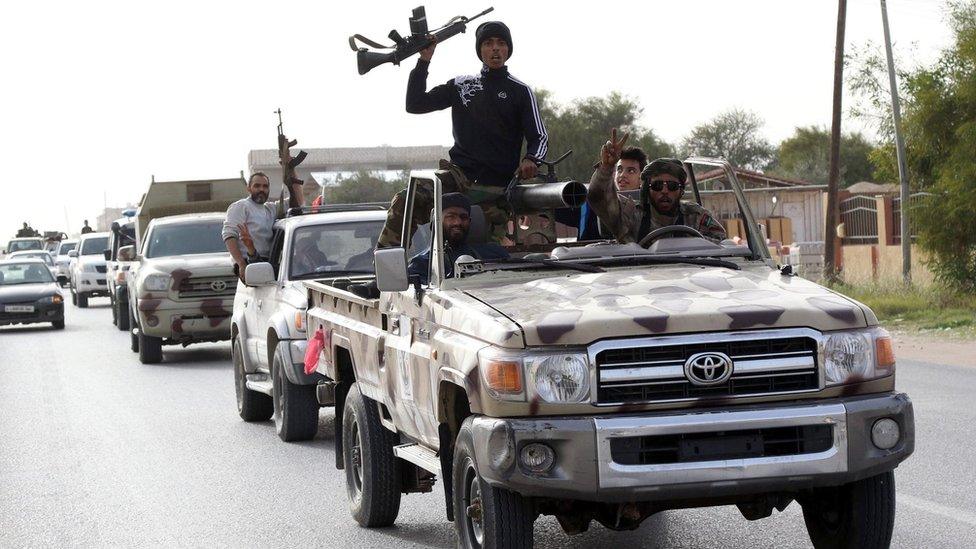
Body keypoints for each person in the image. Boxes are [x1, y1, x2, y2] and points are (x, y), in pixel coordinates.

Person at [377, 20, 549, 248]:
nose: (495, 48)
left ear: (508, 49)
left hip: (494, 189)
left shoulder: (521, 91)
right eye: (488, 43)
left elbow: (539, 137)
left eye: (501, 43)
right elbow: (415, 104)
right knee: (406, 200)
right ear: (480, 50)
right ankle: (387, 263)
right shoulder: (462, 85)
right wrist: (424, 60)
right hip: (456, 179)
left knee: (484, 253)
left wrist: (531, 159)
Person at [587, 130, 727, 244]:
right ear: (647, 189)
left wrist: (693, 243)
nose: (664, 191)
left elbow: (722, 242)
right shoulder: (631, 215)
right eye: (657, 185)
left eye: (672, 186)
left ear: (681, 191)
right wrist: (606, 167)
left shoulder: (695, 216)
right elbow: (597, 196)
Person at [407, 193, 509, 284]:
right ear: (436, 221)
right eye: (451, 217)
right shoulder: (423, 263)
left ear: (470, 222)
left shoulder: (494, 253)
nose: (458, 222)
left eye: (463, 217)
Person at [222, 172, 304, 279]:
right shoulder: (241, 206)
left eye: (265, 186)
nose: (261, 189)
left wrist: (291, 171)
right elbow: (229, 236)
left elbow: (298, 202)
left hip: (269, 262)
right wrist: (241, 264)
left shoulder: (271, 209)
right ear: (249, 188)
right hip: (248, 264)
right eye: (257, 186)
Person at [577, 146, 648, 240]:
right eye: (619, 169)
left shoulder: (650, 206)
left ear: (642, 178)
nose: (622, 175)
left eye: (631, 171)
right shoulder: (593, 204)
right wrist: (606, 166)